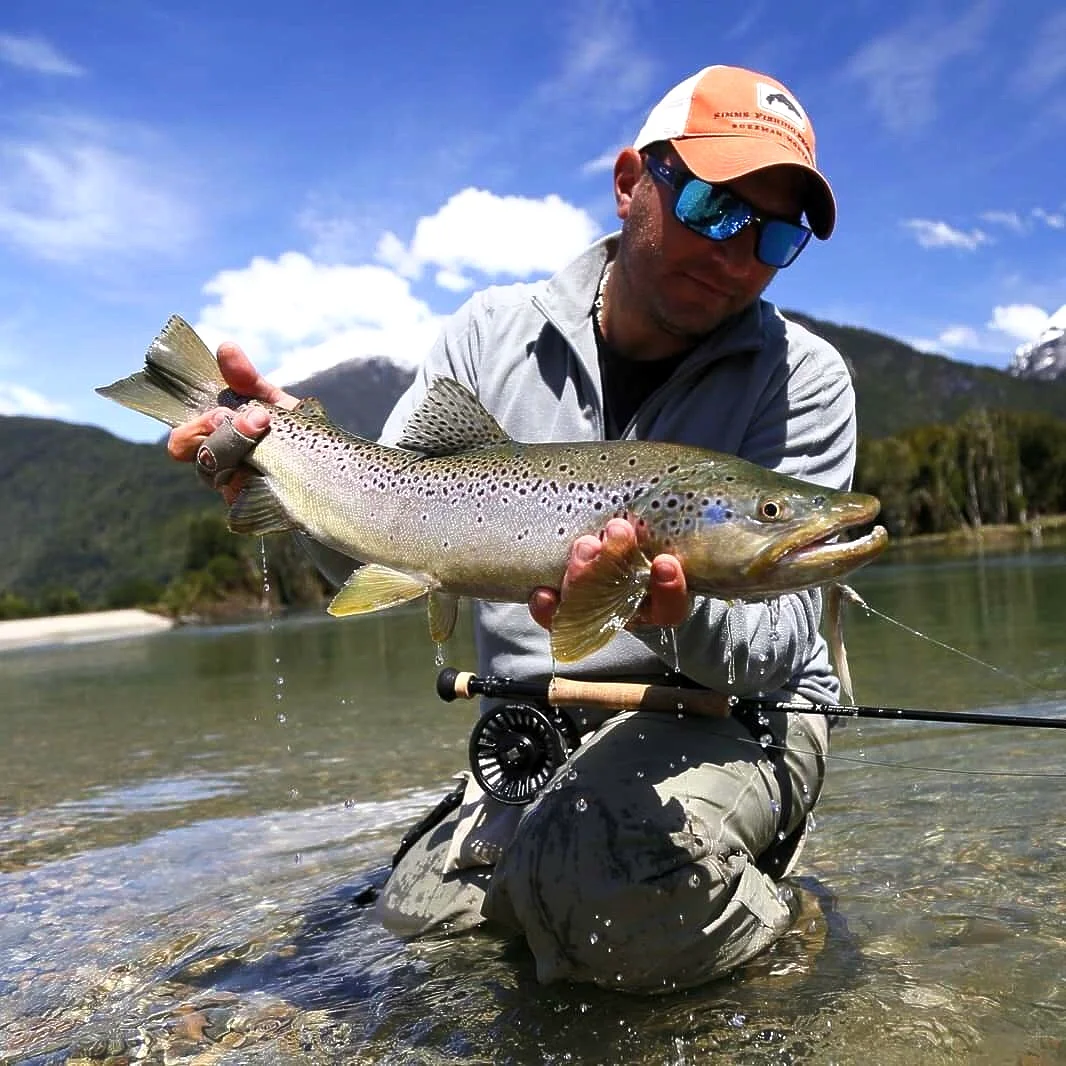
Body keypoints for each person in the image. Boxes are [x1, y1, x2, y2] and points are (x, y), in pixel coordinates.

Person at [168, 65, 854, 992]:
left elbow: (776, 652)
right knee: (421, 935)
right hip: (539, 727)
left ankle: (789, 942)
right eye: (712, 207)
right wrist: (290, 463)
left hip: (739, 716)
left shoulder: (802, 379)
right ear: (630, 183)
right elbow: (387, 531)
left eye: (775, 234)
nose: (739, 256)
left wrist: (665, 610)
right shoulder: (487, 335)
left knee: (603, 887)